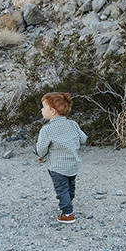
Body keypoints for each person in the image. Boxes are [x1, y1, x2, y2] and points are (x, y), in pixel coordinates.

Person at [35, 92, 87, 224]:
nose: (41, 110)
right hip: (74, 164)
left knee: (61, 188)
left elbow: (41, 148)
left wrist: (41, 156)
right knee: (70, 185)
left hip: (57, 166)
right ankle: (68, 201)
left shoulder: (47, 130)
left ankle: (68, 214)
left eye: (43, 107)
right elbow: (83, 139)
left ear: (52, 111)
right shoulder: (73, 124)